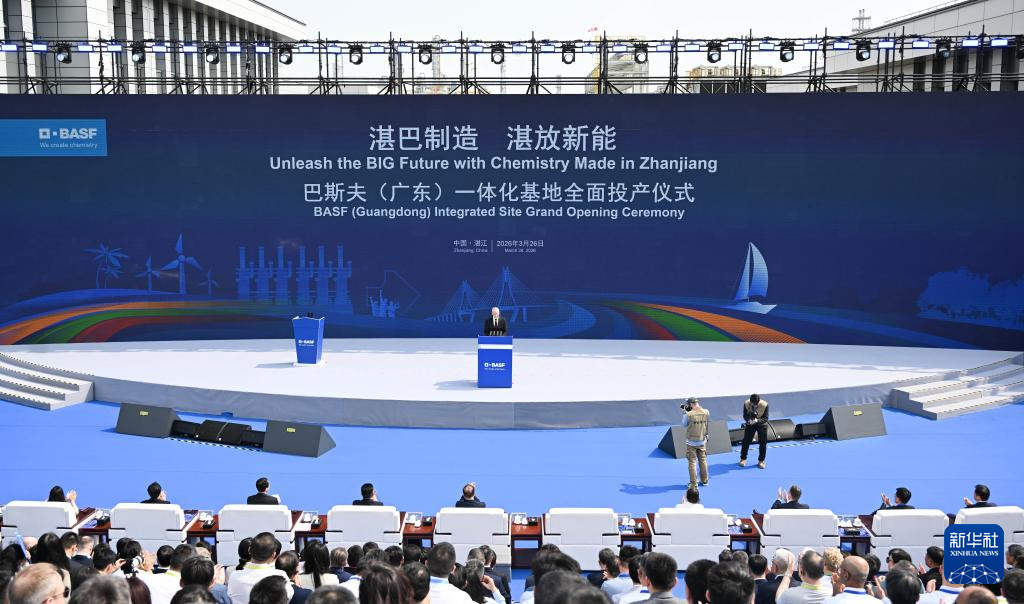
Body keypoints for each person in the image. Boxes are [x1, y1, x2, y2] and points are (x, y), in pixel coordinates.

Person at [226, 532, 293, 604]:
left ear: (249, 550)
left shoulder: (234, 576)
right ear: (273, 555)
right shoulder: (281, 576)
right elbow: (287, 598)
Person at [680, 397, 710, 489]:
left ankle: (693, 483)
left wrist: (685, 412)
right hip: (702, 440)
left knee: (692, 462)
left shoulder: (688, 414)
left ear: (690, 404)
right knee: (703, 461)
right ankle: (705, 480)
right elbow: (706, 424)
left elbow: (684, 424)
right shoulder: (706, 412)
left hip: (691, 442)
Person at [739, 394, 770, 469]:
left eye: (755, 403)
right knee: (746, 441)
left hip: (761, 424)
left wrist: (757, 421)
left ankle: (761, 461)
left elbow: (766, 418)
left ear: (758, 402)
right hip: (750, 423)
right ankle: (743, 459)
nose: (754, 404)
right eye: (752, 403)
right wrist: (749, 420)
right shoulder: (746, 403)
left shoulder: (765, 405)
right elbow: (745, 415)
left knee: (763, 443)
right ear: (750, 401)